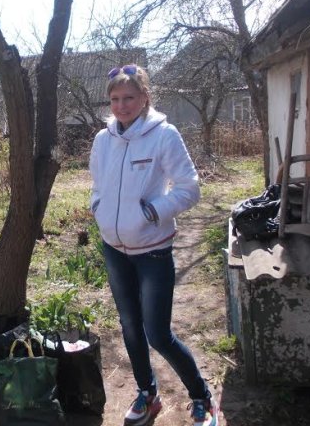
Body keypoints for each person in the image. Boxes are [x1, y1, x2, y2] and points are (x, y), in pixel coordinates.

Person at [89, 64, 219, 426]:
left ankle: (202, 397)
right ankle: (148, 394)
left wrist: (152, 212)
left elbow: (189, 188)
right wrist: (97, 208)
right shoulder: (103, 139)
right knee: (129, 327)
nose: (121, 105)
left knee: (158, 334)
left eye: (129, 97)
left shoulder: (164, 135)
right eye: (115, 99)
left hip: (152, 251)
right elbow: (97, 185)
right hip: (113, 249)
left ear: (145, 98)